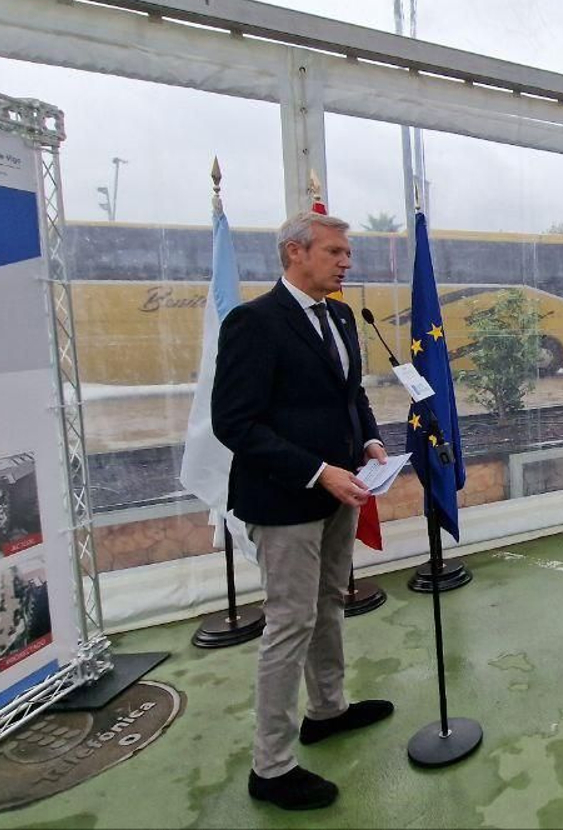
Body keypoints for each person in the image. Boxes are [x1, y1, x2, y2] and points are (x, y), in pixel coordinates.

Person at [212, 210, 393, 811]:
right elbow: (234, 423)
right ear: (296, 252)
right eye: (336, 252)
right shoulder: (254, 323)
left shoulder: (341, 315)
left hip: (342, 490)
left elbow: (351, 394)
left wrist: (366, 440)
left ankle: (328, 710)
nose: (347, 261)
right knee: (289, 623)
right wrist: (318, 471)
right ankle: (271, 765)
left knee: (327, 605)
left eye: (347, 253)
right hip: (285, 499)